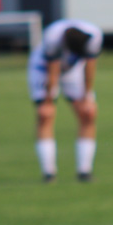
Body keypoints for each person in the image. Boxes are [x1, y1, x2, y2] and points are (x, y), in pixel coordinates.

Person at [27, 19, 102, 182]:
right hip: (43, 68)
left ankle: (84, 171)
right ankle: (49, 173)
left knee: (88, 114)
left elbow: (90, 66)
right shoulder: (53, 37)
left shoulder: (94, 35)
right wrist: (47, 101)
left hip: (73, 69)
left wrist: (87, 97)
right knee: (46, 115)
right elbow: (52, 71)